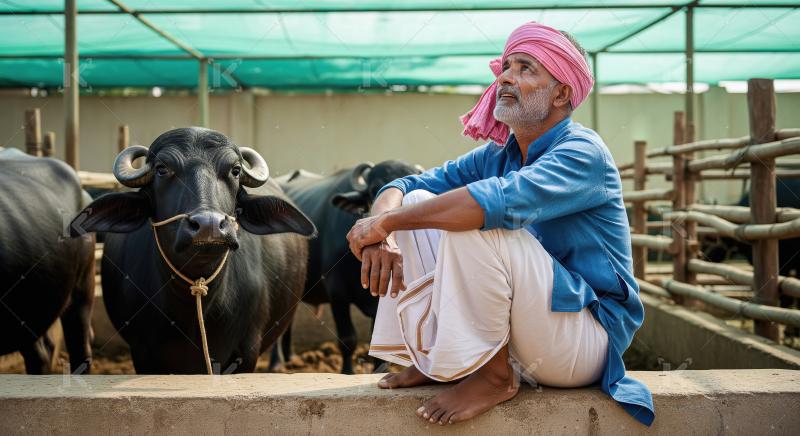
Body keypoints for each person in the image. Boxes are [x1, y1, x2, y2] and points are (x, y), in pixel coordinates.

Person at [346, 22, 654, 427]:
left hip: (586, 341)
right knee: (421, 203)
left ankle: (494, 378)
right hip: (531, 332)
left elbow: (491, 205)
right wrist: (380, 226)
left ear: (562, 93)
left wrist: (384, 222)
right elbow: (407, 185)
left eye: (526, 68)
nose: (506, 76)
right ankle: (436, 360)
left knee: (477, 220)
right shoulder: (498, 154)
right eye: (507, 66)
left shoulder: (583, 152)